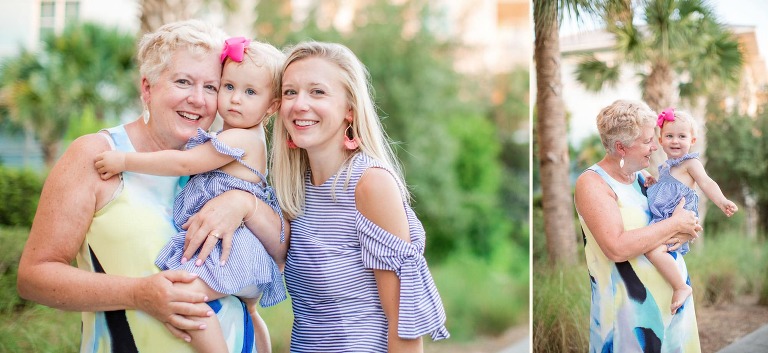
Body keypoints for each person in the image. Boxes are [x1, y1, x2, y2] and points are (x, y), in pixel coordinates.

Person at [17, 20, 285, 353]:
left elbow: (280, 251)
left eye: (212, 87)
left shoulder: (219, 161)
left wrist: (245, 205)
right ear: (147, 88)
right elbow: (34, 278)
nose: (198, 100)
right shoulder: (97, 155)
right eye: (183, 82)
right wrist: (138, 294)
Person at [93, 37, 287, 353]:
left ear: (273, 105)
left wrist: (125, 160)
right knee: (250, 311)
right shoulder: (243, 136)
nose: (235, 99)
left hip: (232, 247)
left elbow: (184, 162)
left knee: (183, 297)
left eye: (250, 92)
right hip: (243, 248)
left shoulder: (240, 138)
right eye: (228, 87)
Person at [270, 41, 449, 352]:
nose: (299, 104)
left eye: (317, 92)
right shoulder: (294, 188)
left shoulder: (370, 184)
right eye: (290, 92)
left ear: (349, 109)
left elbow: (404, 327)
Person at [574, 100, 703, 352]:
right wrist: (675, 224)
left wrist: (687, 229)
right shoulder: (592, 184)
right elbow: (616, 248)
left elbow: (669, 222)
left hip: (672, 305)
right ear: (621, 147)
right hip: (629, 318)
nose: (656, 146)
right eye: (647, 141)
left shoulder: (644, 179)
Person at [646, 107, 738, 314]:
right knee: (651, 250)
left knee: (654, 251)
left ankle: (681, 287)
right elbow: (664, 189)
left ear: (692, 140)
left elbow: (706, 183)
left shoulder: (691, 163)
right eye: (669, 136)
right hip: (666, 220)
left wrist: (722, 201)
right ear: (660, 141)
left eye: (682, 136)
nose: (675, 141)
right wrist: (654, 183)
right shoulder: (665, 168)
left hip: (679, 218)